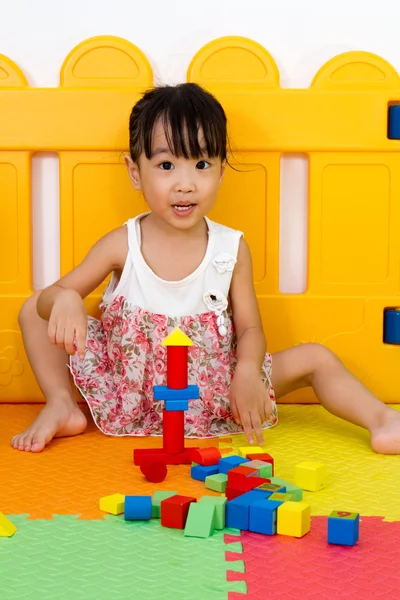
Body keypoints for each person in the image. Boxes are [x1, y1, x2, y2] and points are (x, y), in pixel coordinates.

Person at [12, 83, 400, 454]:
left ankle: (383, 421)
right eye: (166, 165)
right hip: (129, 390)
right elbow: (48, 302)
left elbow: (249, 328)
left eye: (201, 164)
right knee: (33, 308)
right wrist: (63, 299)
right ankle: (61, 404)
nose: (185, 184)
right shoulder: (122, 243)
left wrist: (247, 372)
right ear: (135, 172)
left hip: (218, 391)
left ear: (221, 170)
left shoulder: (230, 248)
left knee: (316, 357)